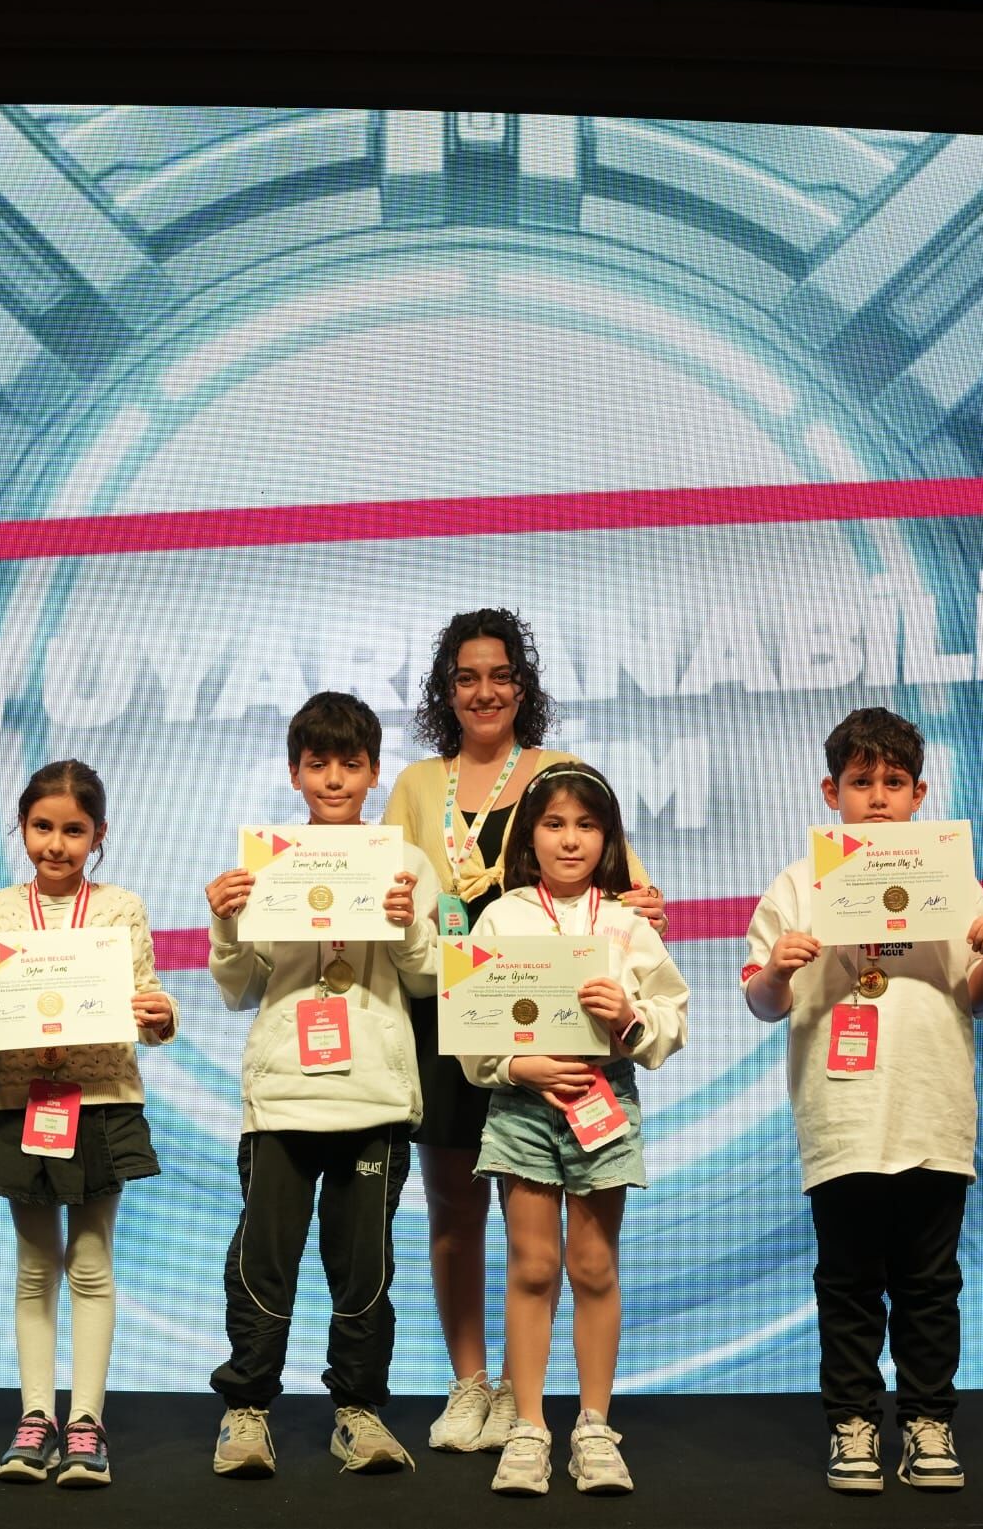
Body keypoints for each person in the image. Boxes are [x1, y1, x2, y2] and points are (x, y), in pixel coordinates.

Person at [382, 608, 666, 1453]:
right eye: (467, 677)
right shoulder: (417, 784)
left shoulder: (560, 773)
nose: (485, 691)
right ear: (446, 689)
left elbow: (624, 888)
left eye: (500, 675)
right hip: (450, 1015)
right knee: (452, 1206)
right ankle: (470, 1382)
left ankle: (521, 1393)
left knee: (532, 1220)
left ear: (522, 684)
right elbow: (391, 890)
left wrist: (646, 904)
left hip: (553, 1029)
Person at [741, 707, 983, 1495]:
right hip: (844, 1116)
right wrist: (778, 969)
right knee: (849, 1282)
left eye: (894, 782)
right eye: (861, 781)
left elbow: (976, 994)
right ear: (831, 791)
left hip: (932, 1109)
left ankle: (928, 1419)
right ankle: (853, 1423)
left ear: (920, 794)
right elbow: (761, 1002)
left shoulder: (951, 877)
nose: (878, 797)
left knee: (931, 1283)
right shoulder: (797, 882)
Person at [203, 691, 438, 1478]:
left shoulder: (406, 865)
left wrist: (406, 923)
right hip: (284, 1095)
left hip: (373, 1094)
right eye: (317, 763)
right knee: (263, 1261)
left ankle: (358, 1413)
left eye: (350, 763)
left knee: (364, 1266)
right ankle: (246, 1411)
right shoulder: (266, 862)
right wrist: (227, 921)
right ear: (294, 771)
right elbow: (239, 987)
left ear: (374, 771)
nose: (334, 778)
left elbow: (429, 977)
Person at [0, 760, 179, 1488]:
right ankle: (34, 1418)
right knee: (34, 1264)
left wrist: (162, 1014)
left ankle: (86, 1423)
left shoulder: (120, 909)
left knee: (91, 1261)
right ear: (21, 827)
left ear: (98, 834)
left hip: (103, 1098)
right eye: (42, 826)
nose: (56, 843)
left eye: (73, 830)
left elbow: (146, 1003)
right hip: (22, 1104)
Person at [460, 762, 687, 1496]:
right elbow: (472, 1030)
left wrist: (629, 1017)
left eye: (587, 826)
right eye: (554, 824)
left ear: (607, 838)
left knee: (592, 1267)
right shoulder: (502, 918)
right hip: (522, 1110)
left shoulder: (627, 923)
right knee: (532, 1267)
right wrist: (516, 1066)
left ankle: (593, 1427)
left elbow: (671, 1018)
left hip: (602, 1102)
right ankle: (528, 1427)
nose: (569, 839)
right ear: (529, 835)